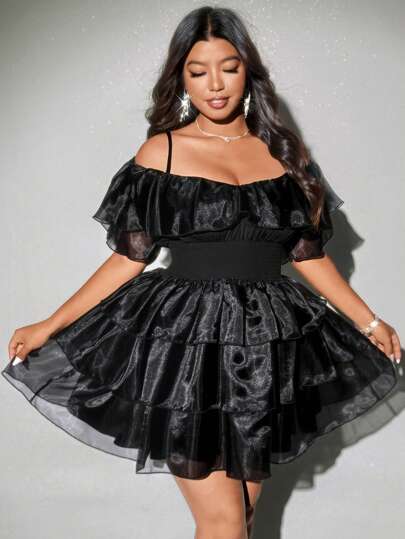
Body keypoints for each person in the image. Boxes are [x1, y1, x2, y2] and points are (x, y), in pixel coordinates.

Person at [3, 6, 401, 539]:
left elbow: (309, 256)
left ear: (248, 73)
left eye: (228, 68)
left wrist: (369, 322)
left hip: (265, 347)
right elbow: (128, 258)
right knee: (223, 523)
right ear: (183, 79)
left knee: (242, 520)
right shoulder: (162, 151)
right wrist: (49, 325)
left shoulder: (286, 155)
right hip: (187, 349)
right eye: (198, 71)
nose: (215, 84)